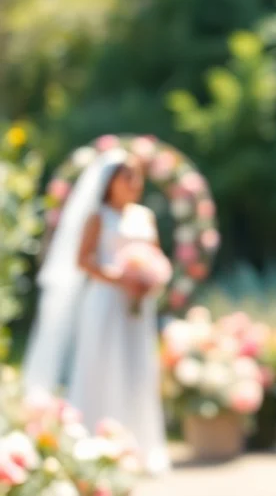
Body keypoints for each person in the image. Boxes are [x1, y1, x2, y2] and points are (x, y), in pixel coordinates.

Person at [58, 149, 171, 475]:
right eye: (127, 176)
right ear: (111, 182)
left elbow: (156, 256)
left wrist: (150, 279)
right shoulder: (98, 216)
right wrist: (119, 277)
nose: (135, 183)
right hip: (106, 302)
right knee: (104, 365)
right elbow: (83, 260)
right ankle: (99, 443)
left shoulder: (145, 216)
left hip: (137, 307)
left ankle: (141, 446)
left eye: (138, 176)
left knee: (138, 369)